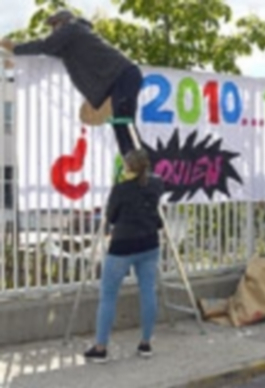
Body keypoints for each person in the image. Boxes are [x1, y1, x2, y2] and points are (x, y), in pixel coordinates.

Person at [1, 10, 143, 156]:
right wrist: (17, 64)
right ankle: (132, 163)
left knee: (123, 121)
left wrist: (15, 48)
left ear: (63, 22)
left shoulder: (72, 29)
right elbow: (44, 53)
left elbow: (45, 45)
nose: (52, 30)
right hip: (119, 80)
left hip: (123, 76)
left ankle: (140, 164)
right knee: (120, 123)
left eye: (54, 25)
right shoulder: (72, 42)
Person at [83, 149, 165, 363]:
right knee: (148, 290)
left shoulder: (120, 189)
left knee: (108, 295)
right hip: (149, 243)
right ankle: (146, 344)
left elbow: (111, 216)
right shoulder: (156, 185)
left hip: (122, 246)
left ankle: (101, 348)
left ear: (127, 167)